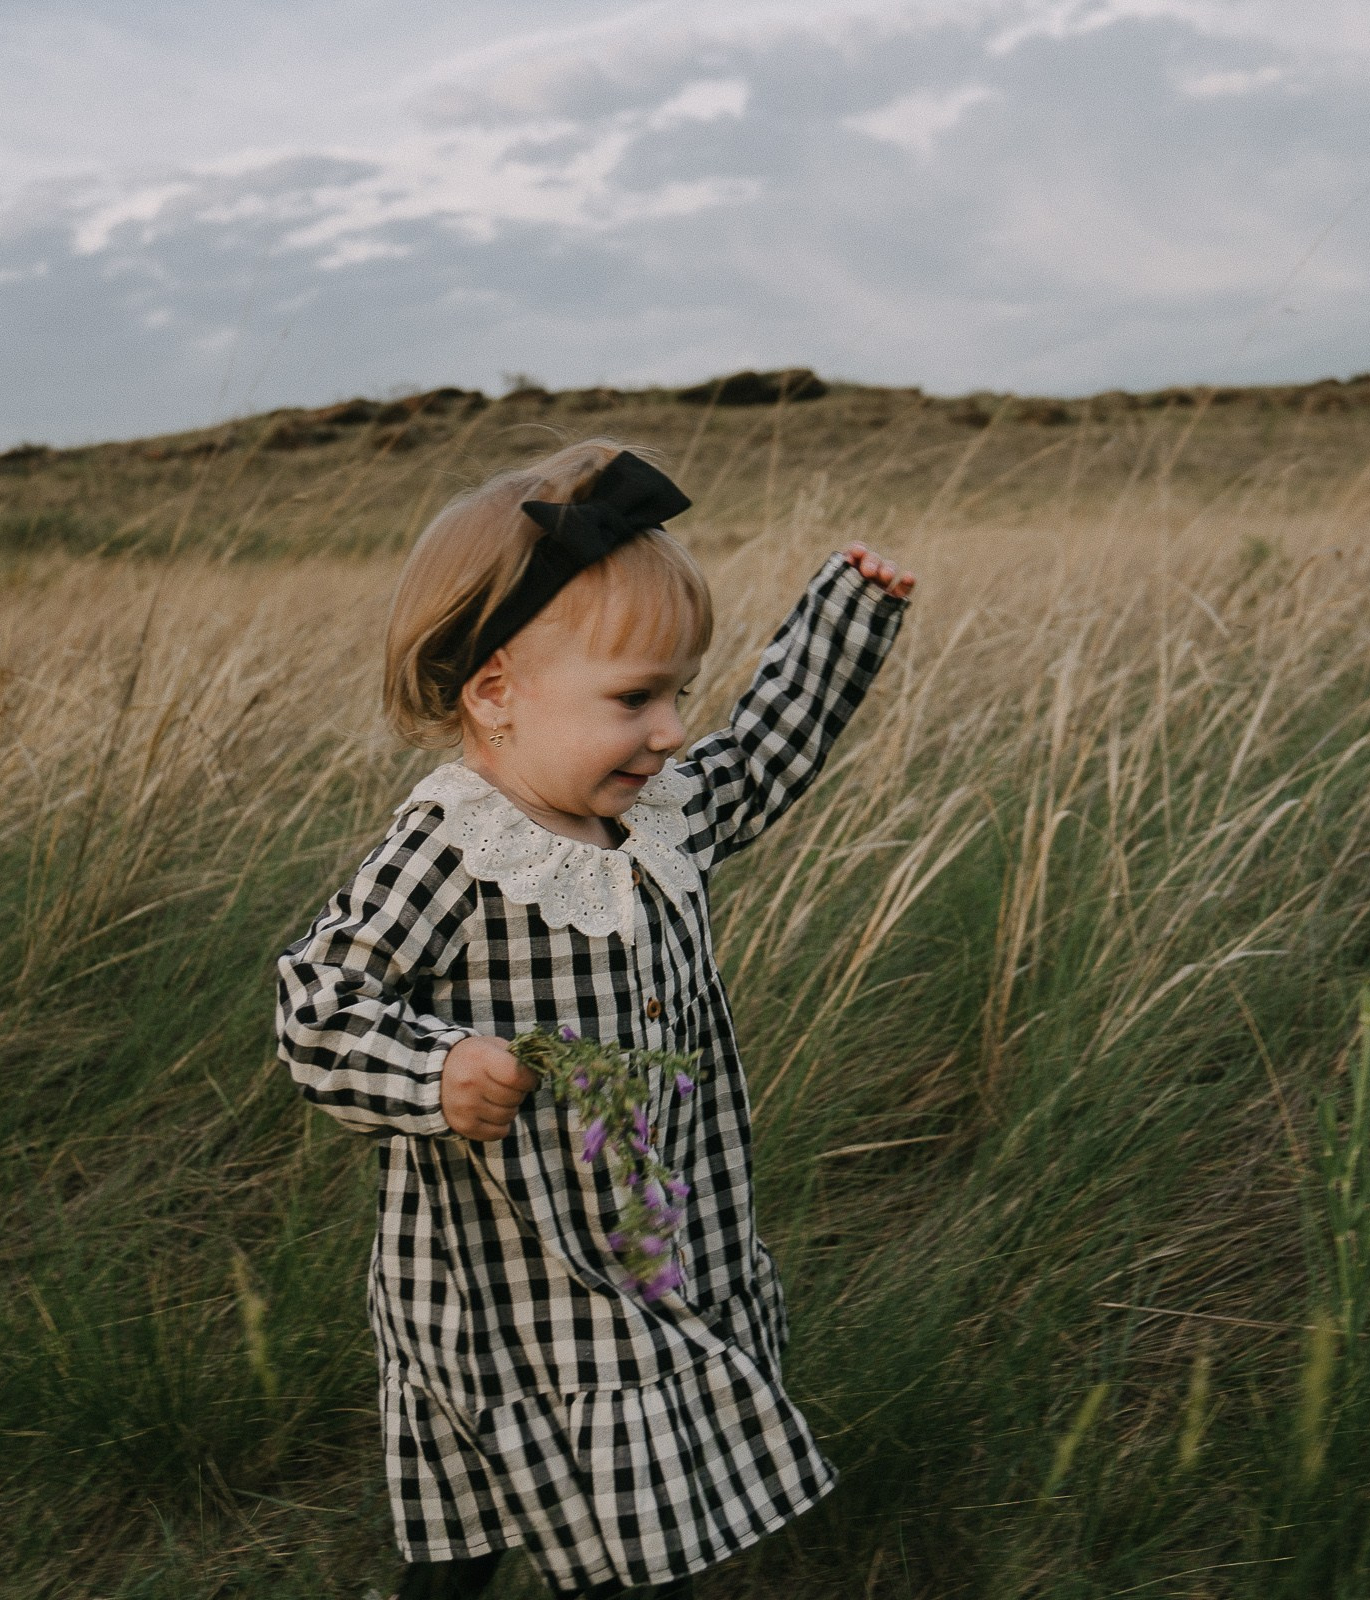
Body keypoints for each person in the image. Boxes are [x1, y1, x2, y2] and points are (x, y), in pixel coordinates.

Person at [273, 439, 915, 1599]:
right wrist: (437, 1070)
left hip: (654, 1243)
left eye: (679, 692)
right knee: (466, 1532)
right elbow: (319, 1005)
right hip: (504, 1279)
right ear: (495, 693)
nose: (671, 730)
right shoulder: (451, 850)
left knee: (633, 1526)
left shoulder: (655, 812)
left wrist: (842, 618)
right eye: (635, 699)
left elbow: (765, 752)